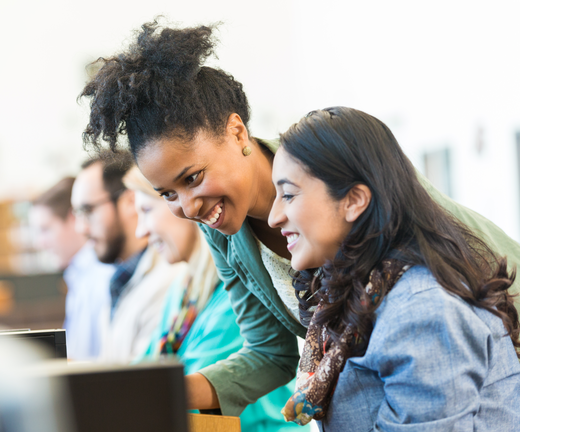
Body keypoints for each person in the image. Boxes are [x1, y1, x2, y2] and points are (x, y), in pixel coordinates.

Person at [79, 21, 521, 417]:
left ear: (236, 133)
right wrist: (150, 391)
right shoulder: (224, 230)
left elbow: (443, 303)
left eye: (193, 178)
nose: (188, 208)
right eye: (167, 195)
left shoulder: (337, 170)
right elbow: (270, 354)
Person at [269, 107, 519, 429]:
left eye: (288, 194)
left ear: (354, 200)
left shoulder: (421, 309)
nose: (274, 216)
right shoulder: (367, 292)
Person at [124, 166, 303, 431]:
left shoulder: (235, 296)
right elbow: (144, 371)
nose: (140, 231)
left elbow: (187, 395)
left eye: (147, 211)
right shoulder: (183, 292)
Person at [71, 149, 183, 363]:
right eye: (77, 214)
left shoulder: (168, 279)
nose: (81, 227)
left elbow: (143, 379)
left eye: (88, 211)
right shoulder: (120, 278)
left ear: (129, 201)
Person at [30, 177, 116, 361]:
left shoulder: (101, 277)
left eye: (45, 229)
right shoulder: (79, 275)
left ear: (72, 218)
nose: (40, 243)